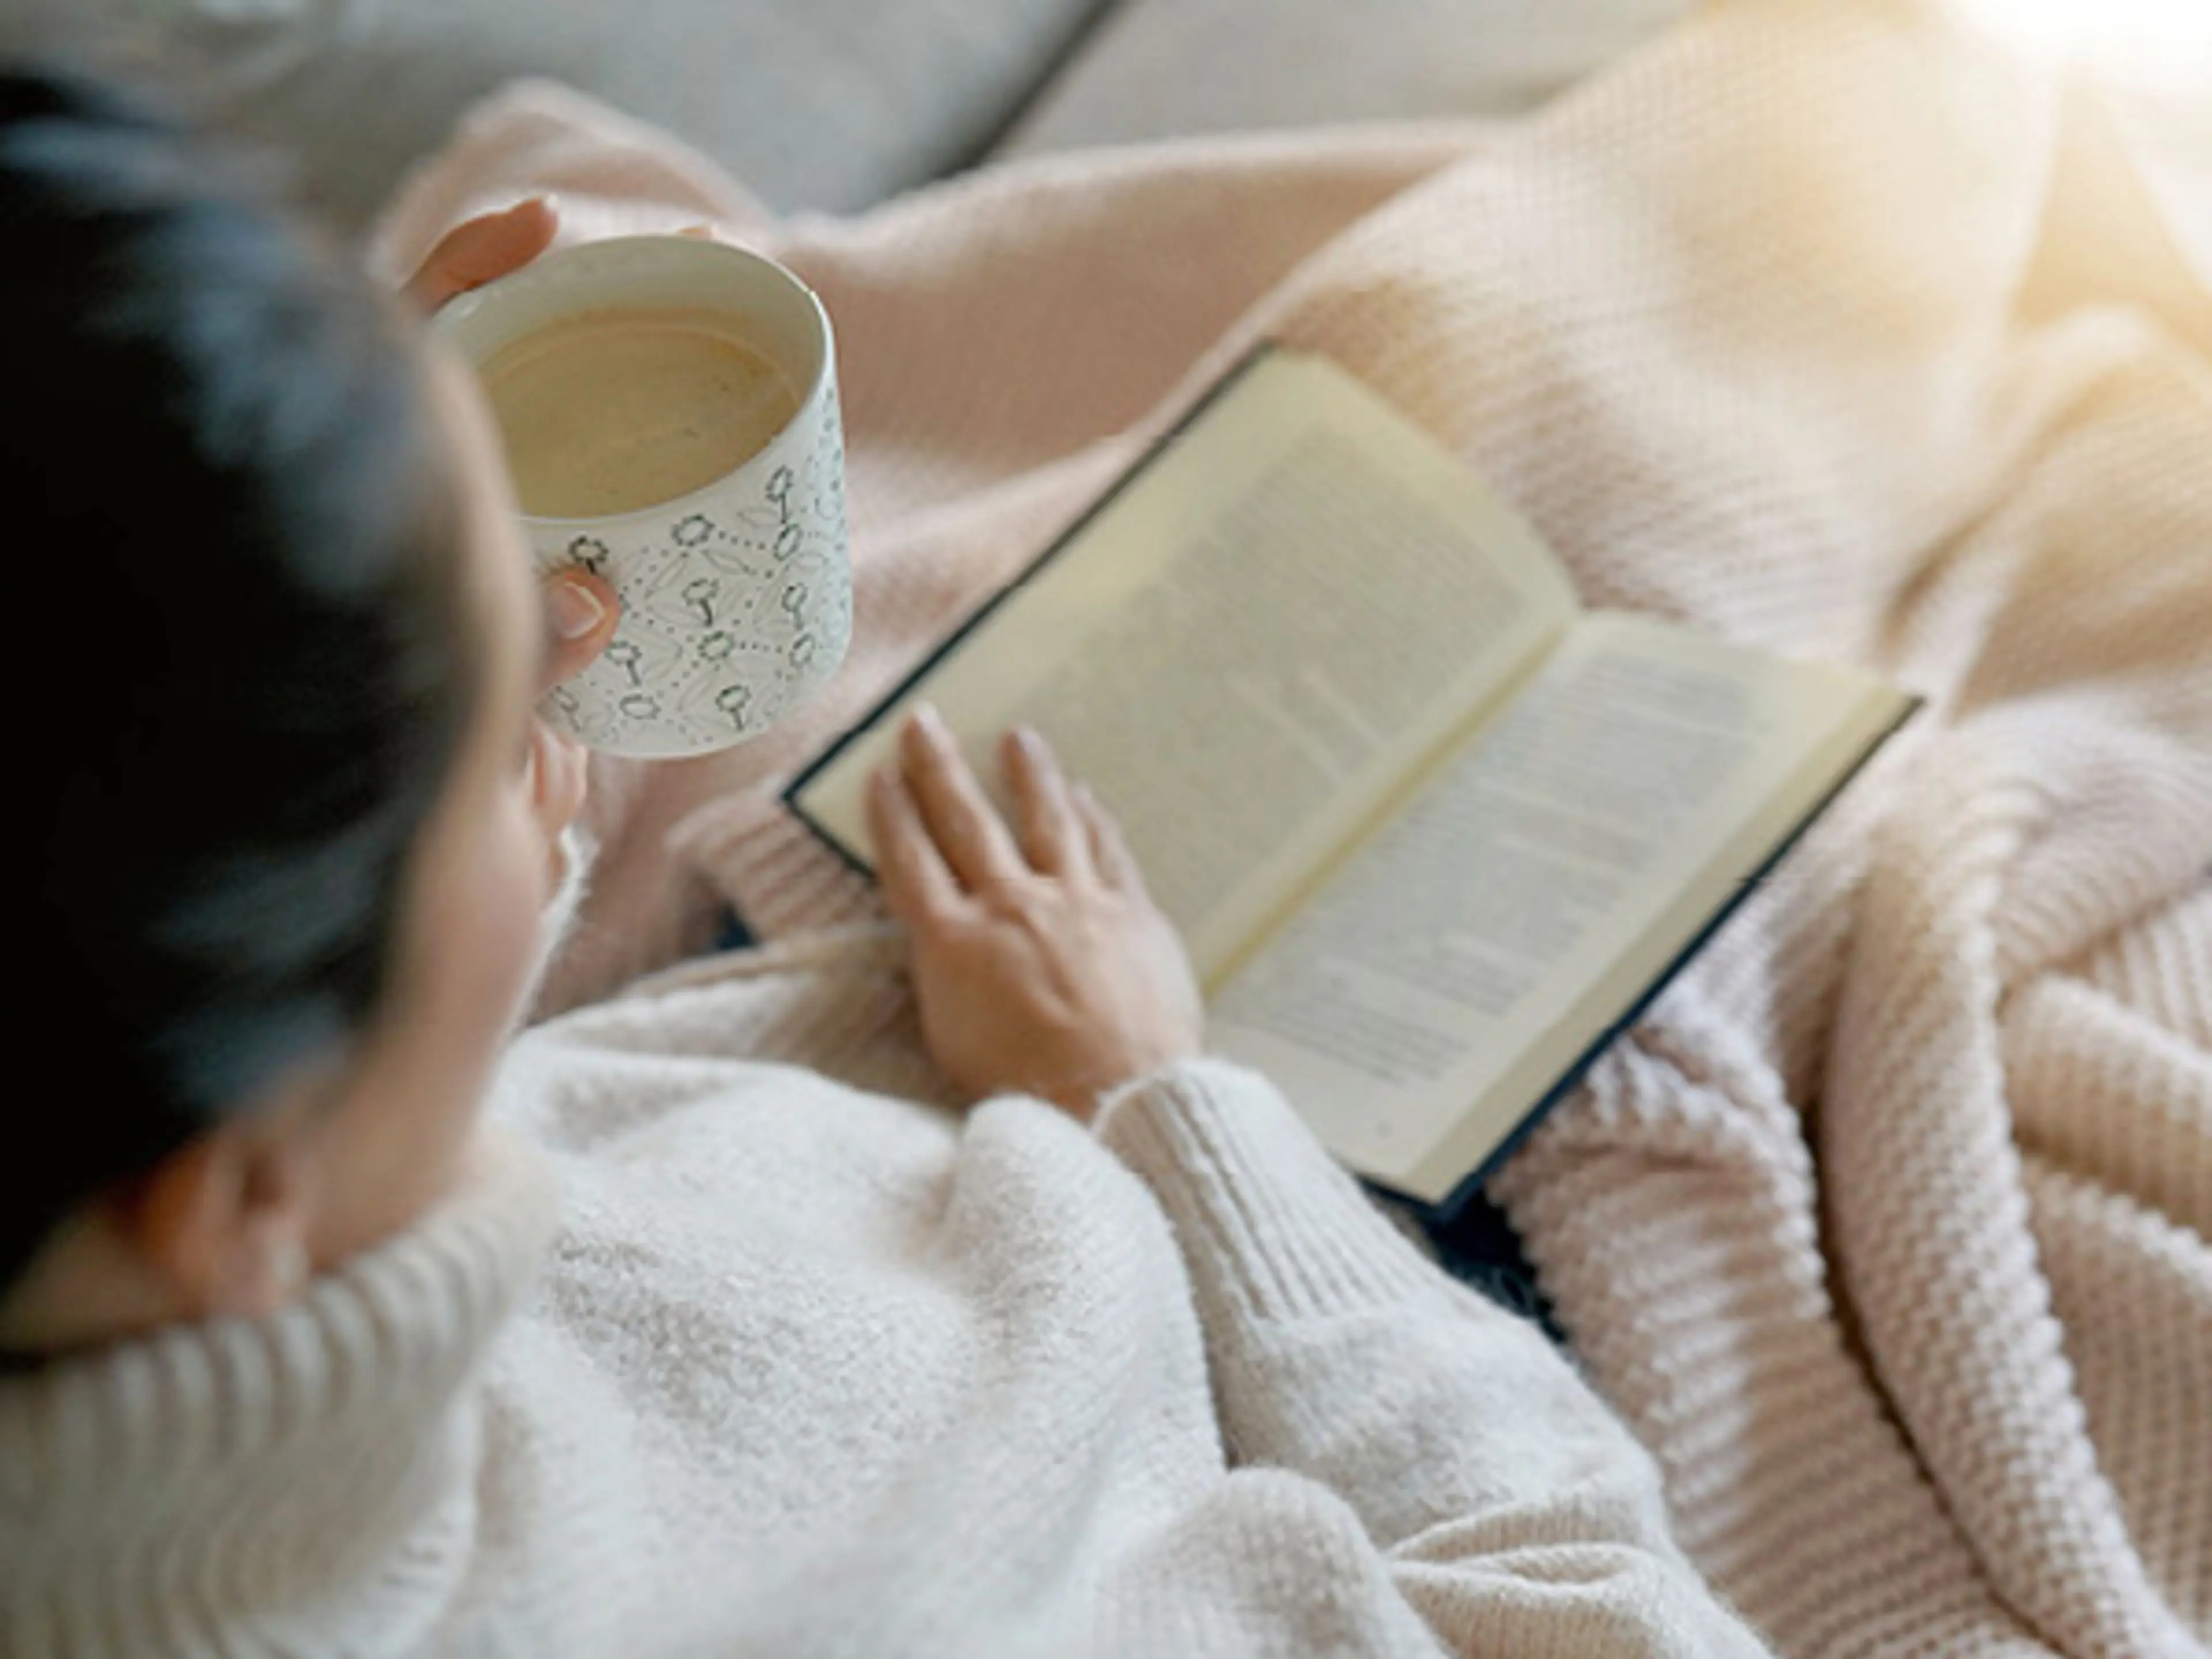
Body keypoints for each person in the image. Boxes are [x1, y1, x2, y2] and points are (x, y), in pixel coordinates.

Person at [1, 66, 1773, 1657]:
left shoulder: (143, 1274)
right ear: (234, 1201)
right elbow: (1611, 1616)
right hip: (1297, 1288)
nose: (548, 718)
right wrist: (1163, 1108)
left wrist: (324, 555)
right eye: (493, 734)